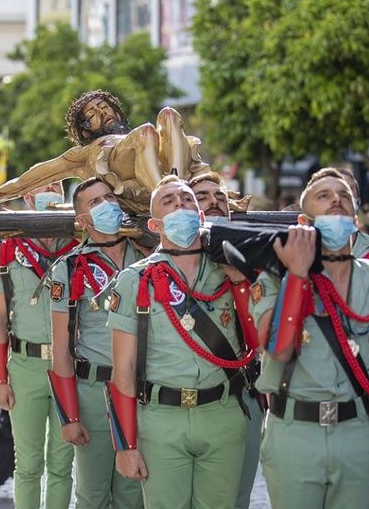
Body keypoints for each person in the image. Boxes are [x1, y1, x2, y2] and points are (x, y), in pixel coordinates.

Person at [251, 168, 369, 508]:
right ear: (303, 219)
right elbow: (278, 348)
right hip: (294, 431)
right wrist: (297, 274)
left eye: (343, 196)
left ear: (356, 218)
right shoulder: (274, 276)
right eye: (323, 196)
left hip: (356, 431)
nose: (336, 200)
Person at [106, 176, 258, 508]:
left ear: (201, 215)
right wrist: (125, 445)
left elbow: (258, 341)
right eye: (169, 201)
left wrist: (240, 282)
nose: (181, 205)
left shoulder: (230, 271)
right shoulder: (135, 280)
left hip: (223, 414)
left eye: (188, 200)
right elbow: (124, 369)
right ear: (154, 223)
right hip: (161, 418)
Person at [0, 90, 210, 214]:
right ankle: (167, 195)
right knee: (148, 132)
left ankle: (180, 192)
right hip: (133, 172)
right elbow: (29, 180)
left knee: (169, 115)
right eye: (91, 114)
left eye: (104, 107)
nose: (101, 112)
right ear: (84, 131)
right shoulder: (84, 154)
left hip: (160, 168)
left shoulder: (140, 134)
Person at [47, 178, 146, 509]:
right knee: (93, 495)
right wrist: (69, 416)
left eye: (108, 197)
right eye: (94, 203)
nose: (106, 205)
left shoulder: (149, 259)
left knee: (134, 493)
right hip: (94, 393)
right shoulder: (70, 266)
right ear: (82, 220)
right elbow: (60, 346)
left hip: (141, 390)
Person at [0, 183, 78, 508]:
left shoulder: (77, 245)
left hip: (70, 366)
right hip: (25, 365)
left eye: (57, 186)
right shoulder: (6, 251)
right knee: (28, 464)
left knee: (62, 464)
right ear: (28, 198)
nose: (52, 192)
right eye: (43, 188)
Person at [188, 172, 265, 509]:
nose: (214, 200)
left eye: (219, 195)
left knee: (235, 499)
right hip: (174, 403)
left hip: (239, 395)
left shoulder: (256, 262)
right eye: (201, 196)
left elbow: (262, 338)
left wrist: (240, 279)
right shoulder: (156, 265)